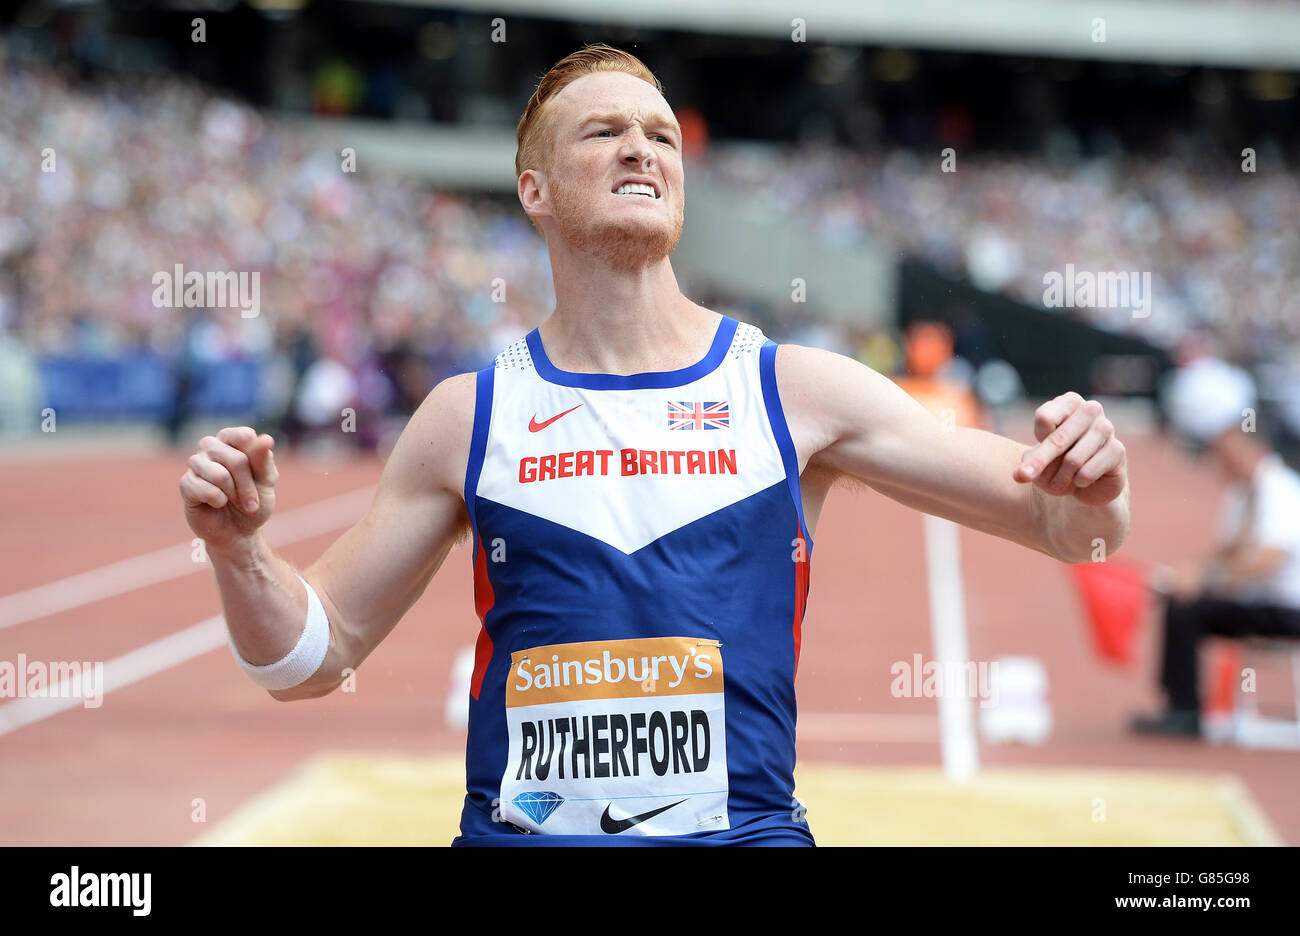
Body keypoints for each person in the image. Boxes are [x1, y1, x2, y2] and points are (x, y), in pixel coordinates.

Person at [178, 44, 1131, 845]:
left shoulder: (795, 391)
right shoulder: (468, 418)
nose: (642, 147)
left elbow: (1063, 527)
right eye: (604, 132)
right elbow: (310, 661)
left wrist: (1093, 483)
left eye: (662, 134)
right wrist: (239, 554)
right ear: (533, 189)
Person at [1131, 357, 1300, 737]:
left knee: (1189, 608)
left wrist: (1204, 577)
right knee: (1181, 601)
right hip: (1260, 603)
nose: (1221, 461)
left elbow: (1266, 561)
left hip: (1288, 607)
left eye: (1228, 450)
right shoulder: (1242, 496)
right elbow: (1227, 554)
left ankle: (1185, 711)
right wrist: (1182, 574)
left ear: (1252, 447)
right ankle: (1181, 706)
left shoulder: (1282, 491)